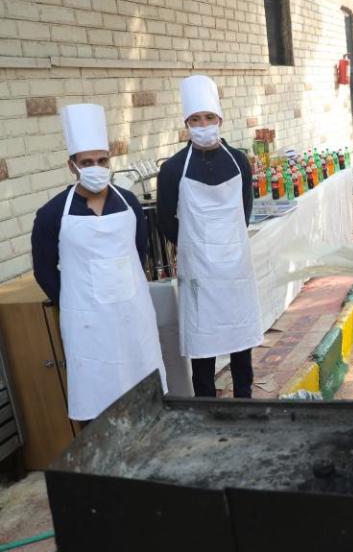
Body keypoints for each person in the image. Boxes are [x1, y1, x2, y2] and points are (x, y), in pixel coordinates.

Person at [31, 103, 167, 423]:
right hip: (87, 322)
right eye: (87, 162)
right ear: (72, 166)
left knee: (142, 382)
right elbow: (44, 269)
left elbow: (139, 250)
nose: (96, 167)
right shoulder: (51, 214)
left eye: (102, 160)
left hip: (133, 313)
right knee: (98, 392)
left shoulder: (129, 202)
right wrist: (75, 299)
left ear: (110, 160)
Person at [157, 75, 261, 398]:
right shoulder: (173, 169)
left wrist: (226, 244)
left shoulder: (239, 162)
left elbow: (244, 210)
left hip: (235, 270)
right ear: (186, 123)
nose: (203, 125)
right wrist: (194, 246)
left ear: (220, 119)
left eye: (209, 118)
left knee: (240, 344)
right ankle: (206, 405)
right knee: (204, 350)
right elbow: (165, 221)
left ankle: (245, 401)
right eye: (196, 119)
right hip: (199, 273)